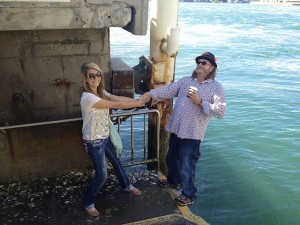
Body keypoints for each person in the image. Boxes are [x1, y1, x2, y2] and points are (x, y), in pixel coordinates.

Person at [141, 52, 226, 206]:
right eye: (199, 62)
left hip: (193, 134)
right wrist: (150, 94)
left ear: (211, 68)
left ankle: (189, 195)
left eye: (204, 63)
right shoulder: (186, 81)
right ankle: (174, 182)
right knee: (170, 158)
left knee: (187, 166)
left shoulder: (216, 87)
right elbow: (168, 90)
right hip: (176, 129)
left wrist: (201, 102)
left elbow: (220, 111)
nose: (200, 65)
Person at [80, 62, 145, 217]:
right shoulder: (88, 97)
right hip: (94, 141)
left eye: (98, 74)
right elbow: (115, 104)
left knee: (117, 162)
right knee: (102, 175)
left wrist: (137, 99)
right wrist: (138, 103)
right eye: (91, 75)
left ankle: (126, 186)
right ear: (85, 79)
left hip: (105, 136)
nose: (96, 78)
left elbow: (118, 97)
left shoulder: (100, 92)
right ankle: (88, 202)